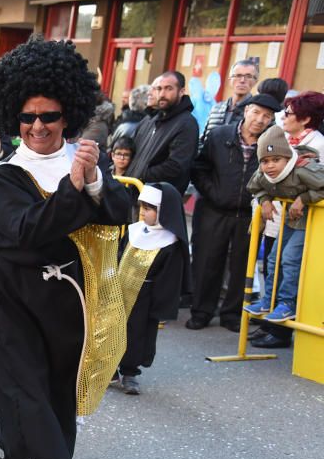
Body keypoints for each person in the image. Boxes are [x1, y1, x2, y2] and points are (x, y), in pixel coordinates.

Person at [0, 37, 132, 459]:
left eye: (48, 116)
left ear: (67, 115)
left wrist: (91, 183)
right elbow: (27, 231)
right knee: (23, 388)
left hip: (68, 294)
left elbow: (118, 215)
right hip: (11, 293)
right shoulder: (6, 173)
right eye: (27, 118)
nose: (38, 126)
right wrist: (76, 190)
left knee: (58, 388)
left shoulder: (85, 164)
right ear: (13, 119)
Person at [188, 94, 281, 331]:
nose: (260, 120)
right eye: (256, 112)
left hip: (249, 213)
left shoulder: (271, 143)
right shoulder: (220, 135)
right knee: (207, 261)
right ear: (246, 110)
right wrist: (213, 192)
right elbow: (200, 167)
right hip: (213, 208)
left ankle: (231, 314)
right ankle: (201, 311)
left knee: (242, 265)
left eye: (267, 116)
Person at [244, 125, 324, 348]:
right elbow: (255, 187)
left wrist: (305, 198)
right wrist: (265, 200)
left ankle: (287, 303)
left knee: (289, 260)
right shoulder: (264, 173)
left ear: (287, 158)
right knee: (272, 260)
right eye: (265, 161)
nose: (270, 166)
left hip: (310, 224)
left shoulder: (304, 169)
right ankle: (269, 302)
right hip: (291, 221)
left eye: (276, 160)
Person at [113, 183, 190, 395]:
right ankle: (109, 369)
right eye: (141, 208)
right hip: (119, 288)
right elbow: (119, 253)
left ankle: (130, 372)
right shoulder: (134, 231)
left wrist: (160, 307)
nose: (142, 213)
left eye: (148, 209)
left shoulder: (169, 242)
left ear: (163, 211)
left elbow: (169, 278)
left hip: (144, 296)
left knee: (137, 335)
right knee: (112, 329)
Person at [125, 71, 199, 195]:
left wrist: (139, 176)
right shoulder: (149, 120)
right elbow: (132, 150)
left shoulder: (187, 124)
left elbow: (175, 166)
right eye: (158, 88)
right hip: (132, 194)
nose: (162, 94)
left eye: (168, 89)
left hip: (158, 200)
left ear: (181, 92)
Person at [202, 59, 258, 139]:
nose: (242, 81)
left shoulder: (257, 112)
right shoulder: (216, 108)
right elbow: (203, 138)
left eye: (248, 76)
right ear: (230, 79)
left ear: (255, 81)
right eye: (238, 76)